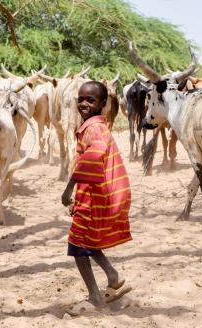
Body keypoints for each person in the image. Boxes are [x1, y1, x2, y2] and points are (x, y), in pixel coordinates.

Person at [61, 80, 132, 314]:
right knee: (87, 239)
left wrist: (69, 189)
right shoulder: (97, 126)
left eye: (90, 100)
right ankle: (112, 276)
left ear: (102, 104)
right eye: (80, 99)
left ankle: (94, 297)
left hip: (94, 194)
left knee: (77, 244)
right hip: (96, 192)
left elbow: (91, 159)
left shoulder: (92, 129)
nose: (84, 103)